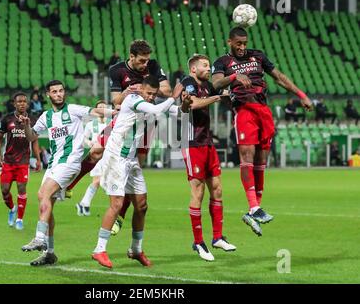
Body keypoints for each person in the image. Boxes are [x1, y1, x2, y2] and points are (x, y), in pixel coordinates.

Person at [212, 27, 313, 236]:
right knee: (246, 156)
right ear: (229, 41)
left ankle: (254, 210)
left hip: (263, 111)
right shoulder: (222, 62)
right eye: (237, 43)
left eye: (244, 43)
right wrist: (234, 77)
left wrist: (301, 94)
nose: (241, 47)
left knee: (261, 161)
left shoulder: (257, 55)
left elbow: (278, 77)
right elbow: (215, 83)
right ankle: (254, 207)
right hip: (244, 110)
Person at [65, 39, 172, 236]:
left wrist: (142, 88)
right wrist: (126, 92)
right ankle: (69, 185)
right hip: (122, 122)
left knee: (134, 168)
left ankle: (120, 217)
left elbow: (167, 91)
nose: (145, 64)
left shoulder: (154, 66)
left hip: (145, 124)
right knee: (95, 151)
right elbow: (116, 101)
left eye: (147, 60)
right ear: (131, 57)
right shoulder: (117, 70)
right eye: (141, 61)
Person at [19, 80, 113, 266]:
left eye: (61, 90)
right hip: (54, 164)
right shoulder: (46, 116)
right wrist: (27, 125)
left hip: (70, 163)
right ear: (48, 94)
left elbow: (96, 111)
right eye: (55, 91)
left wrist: (117, 113)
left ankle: (39, 237)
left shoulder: (73, 110)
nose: (59, 94)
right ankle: (50, 253)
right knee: (48, 205)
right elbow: (31, 137)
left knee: (42, 194)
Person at [90, 75, 179, 269]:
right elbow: (157, 109)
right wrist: (174, 96)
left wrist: (188, 103)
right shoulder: (133, 99)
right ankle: (99, 249)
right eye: (148, 93)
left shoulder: (151, 102)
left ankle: (136, 249)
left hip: (130, 160)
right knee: (117, 204)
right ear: (141, 90)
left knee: (142, 205)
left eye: (154, 94)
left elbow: (176, 111)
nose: (150, 97)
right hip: (115, 158)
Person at [172, 55, 236, 262]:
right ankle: (198, 242)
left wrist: (228, 93)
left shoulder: (208, 85)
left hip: (207, 142)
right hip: (191, 144)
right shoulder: (188, 82)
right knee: (197, 191)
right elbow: (193, 104)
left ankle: (217, 237)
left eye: (209, 65)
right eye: (205, 66)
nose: (209, 69)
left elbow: (222, 92)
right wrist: (216, 98)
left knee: (217, 188)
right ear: (193, 69)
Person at [0, 92, 41, 230]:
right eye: (19, 101)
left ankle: (20, 219)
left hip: (23, 161)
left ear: (27, 104)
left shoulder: (32, 120)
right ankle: (12, 209)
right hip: (8, 161)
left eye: (24, 101)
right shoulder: (7, 119)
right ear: (14, 104)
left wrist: (38, 159)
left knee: (21, 188)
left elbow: (34, 140)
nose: (22, 104)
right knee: (4, 191)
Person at [76, 101, 110, 217]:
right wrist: (89, 142)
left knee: (99, 182)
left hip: (110, 155)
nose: (101, 109)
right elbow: (84, 138)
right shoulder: (91, 124)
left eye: (103, 107)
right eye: (99, 107)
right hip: (97, 156)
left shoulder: (111, 123)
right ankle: (84, 203)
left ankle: (83, 203)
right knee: (97, 181)